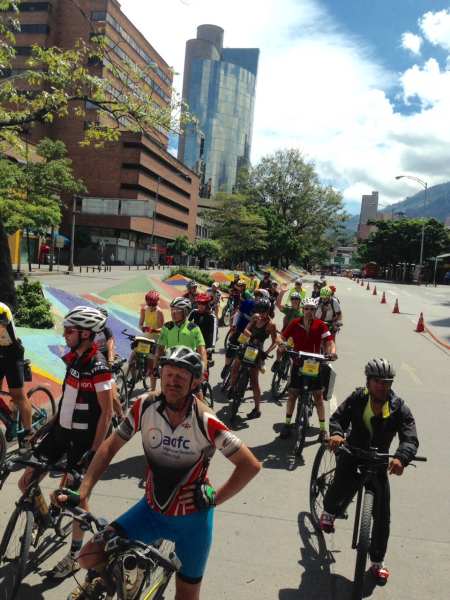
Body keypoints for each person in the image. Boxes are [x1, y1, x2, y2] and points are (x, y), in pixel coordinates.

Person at [62, 346, 261, 600]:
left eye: (181, 376)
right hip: (150, 511)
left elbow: (250, 465)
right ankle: (108, 584)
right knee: (88, 556)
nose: (172, 381)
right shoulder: (144, 406)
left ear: (195, 381)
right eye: (168, 374)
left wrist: (214, 499)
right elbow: (110, 446)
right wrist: (84, 490)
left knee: (187, 596)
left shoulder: (205, 420)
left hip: (193, 523)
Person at [18, 306, 113, 579]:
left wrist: (93, 452)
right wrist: (44, 428)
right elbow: (66, 403)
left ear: (84, 334)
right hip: (60, 432)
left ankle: (73, 556)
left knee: (76, 498)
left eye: (69, 330)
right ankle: (43, 516)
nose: (64, 334)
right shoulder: (72, 360)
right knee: (26, 481)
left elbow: (106, 413)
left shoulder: (99, 367)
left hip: (83, 441)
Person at [320, 359, 419, 584]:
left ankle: (377, 561)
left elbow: (410, 437)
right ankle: (328, 511)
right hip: (353, 452)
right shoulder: (358, 398)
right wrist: (336, 434)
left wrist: (401, 457)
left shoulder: (399, 407)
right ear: (368, 381)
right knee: (341, 485)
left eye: (387, 382)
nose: (382, 386)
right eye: (377, 382)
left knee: (382, 517)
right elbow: (338, 419)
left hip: (378, 462)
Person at [278, 297, 337, 441]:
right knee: (292, 395)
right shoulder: (295, 323)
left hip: (315, 363)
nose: (309, 311)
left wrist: (332, 352)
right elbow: (282, 337)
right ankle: (287, 424)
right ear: (302, 310)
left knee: (318, 397)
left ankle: (323, 430)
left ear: (315, 310)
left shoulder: (321, 325)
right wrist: (281, 343)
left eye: (312, 309)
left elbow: (329, 342)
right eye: (306, 309)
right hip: (298, 363)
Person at [229, 297, 278, 419]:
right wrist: (247, 333)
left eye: (263, 311)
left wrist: (266, 352)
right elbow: (247, 328)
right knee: (235, 368)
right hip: (247, 345)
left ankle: (257, 409)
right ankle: (232, 387)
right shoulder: (254, 318)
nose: (260, 314)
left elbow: (275, 341)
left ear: (268, 311)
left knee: (254, 382)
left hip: (257, 351)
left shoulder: (271, 325)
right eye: (258, 310)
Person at [0, 302, 33, 453]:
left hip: (12, 353)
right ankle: (10, 417)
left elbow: (2, 327)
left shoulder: (2, 309)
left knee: (18, 395)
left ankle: (28, 434)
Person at [156, 297, 207, 373]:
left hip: (188, 366)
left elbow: (201, 350)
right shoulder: (167, 327)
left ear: (185, 312)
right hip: (170, 364)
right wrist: (156, 366)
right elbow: (160, 348)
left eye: (177, 310)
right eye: (172, 310)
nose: (173, 313)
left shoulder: (193, 328)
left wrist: (204, 369)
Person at [139, 291, 165, 391]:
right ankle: (132, 377)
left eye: (153, 304)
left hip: (156, 339)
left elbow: (162, 329)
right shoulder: (143, 309)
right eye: (150, 304)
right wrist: (142, 328)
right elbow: (140, 323)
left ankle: (153, 389)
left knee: (152, 366)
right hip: (146, 336)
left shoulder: (159, 312)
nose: (152, 306)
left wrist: (153, 330)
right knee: (133, 354)